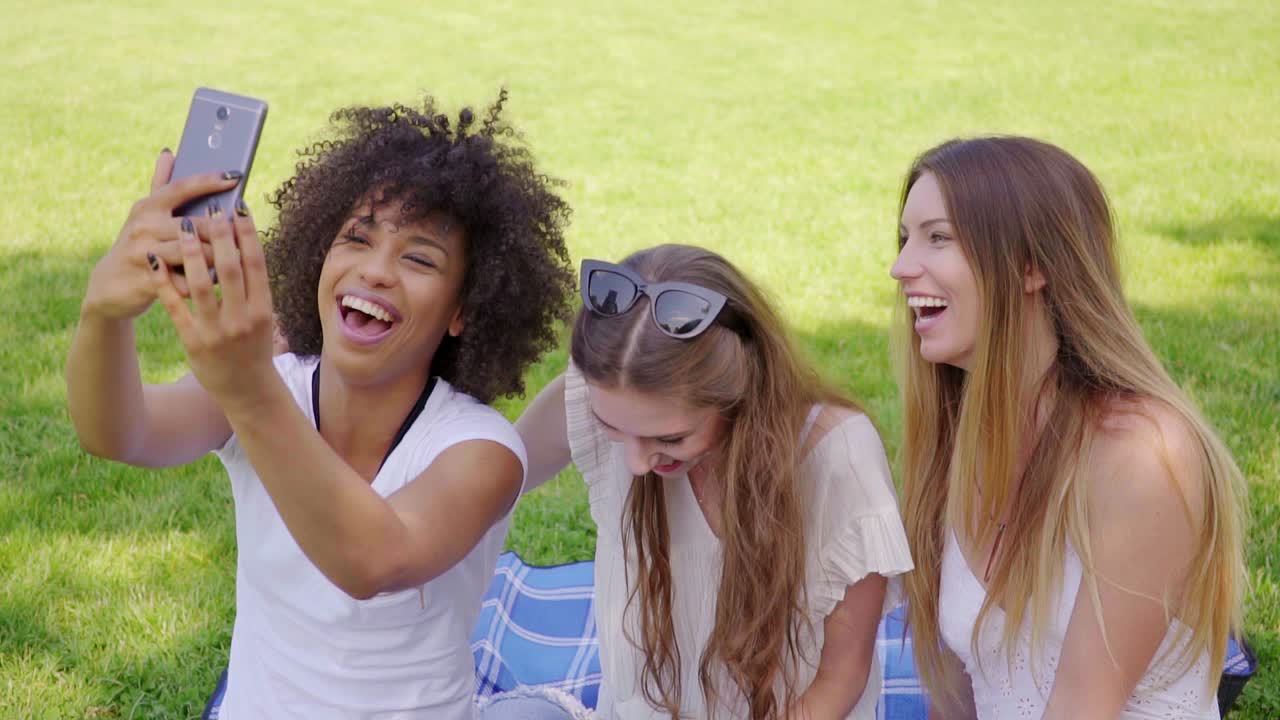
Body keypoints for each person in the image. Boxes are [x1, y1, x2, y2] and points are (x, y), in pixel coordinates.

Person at [65, 92, 575, 719]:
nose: (377, 270)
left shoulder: (481, 450)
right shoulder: (270, 386)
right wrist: (103, 314)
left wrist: (249, 391)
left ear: (464, 311)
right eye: (356, 239)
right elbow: (117, 434)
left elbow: (371, 562)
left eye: (419, 258)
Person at [891, 136, 1247, 719]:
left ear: (1032, 265)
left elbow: (1084, 706)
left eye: (938, 237)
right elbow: (959, 700)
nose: (901, 266)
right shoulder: (960, 435)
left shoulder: (1141, 453)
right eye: (906, 238)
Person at [517, 245, 913, 719]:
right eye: (613, 430)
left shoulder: (837, 456)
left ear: (739, 393)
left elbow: (841, 676)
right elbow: (488, 475)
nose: (637, 461)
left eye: (670, 437)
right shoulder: (601, 393)